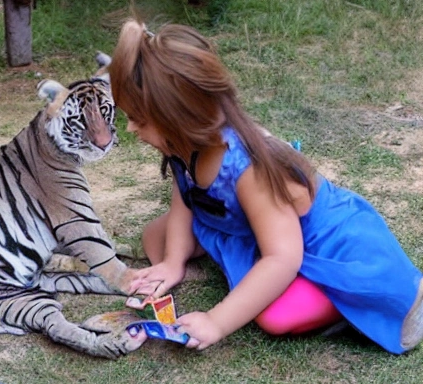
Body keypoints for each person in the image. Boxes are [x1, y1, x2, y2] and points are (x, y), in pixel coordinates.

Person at [108, 18, 423, 354]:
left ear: (179, 117)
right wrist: (172, 262)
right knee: (156, 237)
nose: (129, 129)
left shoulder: (249, 169)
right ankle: (242, 270)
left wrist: (217, 320)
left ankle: (351, 298)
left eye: (139, 119)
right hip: (255, 231)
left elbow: (283, 257)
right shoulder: (182, 144)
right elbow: (186, 200)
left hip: (324, 245)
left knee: (275, 316)